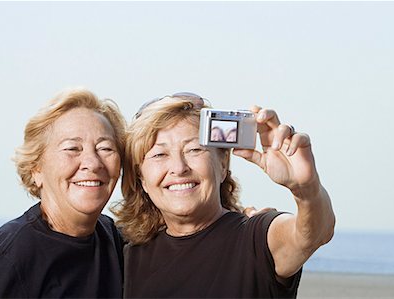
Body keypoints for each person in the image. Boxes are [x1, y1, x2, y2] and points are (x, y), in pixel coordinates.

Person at [113, 93, 335, 298]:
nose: (178, 168)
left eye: (194, 150)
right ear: (141, 177)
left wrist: (306, 189)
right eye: (160, 154)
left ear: (222, 163)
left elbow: (313, 233)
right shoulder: (131, 257)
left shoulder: (254, 239)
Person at [0, 88, 126, 298]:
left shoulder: (114, 240)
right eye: (72, 148)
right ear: (36, 169)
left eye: (105, 148)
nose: (93, 163)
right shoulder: (10, 259)